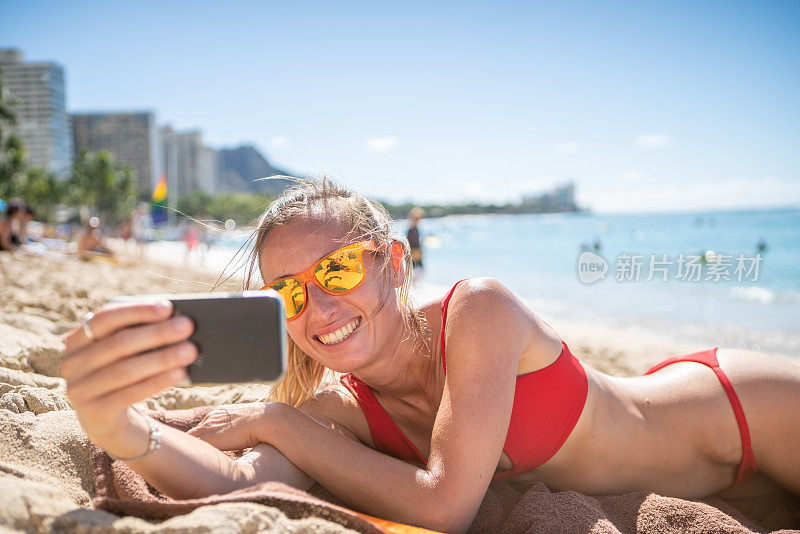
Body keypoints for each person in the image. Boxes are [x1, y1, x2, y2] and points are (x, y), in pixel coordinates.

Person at [62, 178, 800, 533]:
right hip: (724, 493)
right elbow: (239, 481)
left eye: (341, 271)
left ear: (394, 263)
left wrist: (275, 421)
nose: (318, 308)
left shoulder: (480, 310)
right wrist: (126, 432)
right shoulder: (334, 414)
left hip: (738, 407)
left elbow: (445, 503)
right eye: (288, 293)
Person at [406, 207, 425, 281]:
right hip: (414, 250)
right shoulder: (412, 229)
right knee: (419, 268)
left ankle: (413, 281)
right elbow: (413, 241)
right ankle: (413, 281)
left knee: (415, 268)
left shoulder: (412, 229)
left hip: (413, 250)